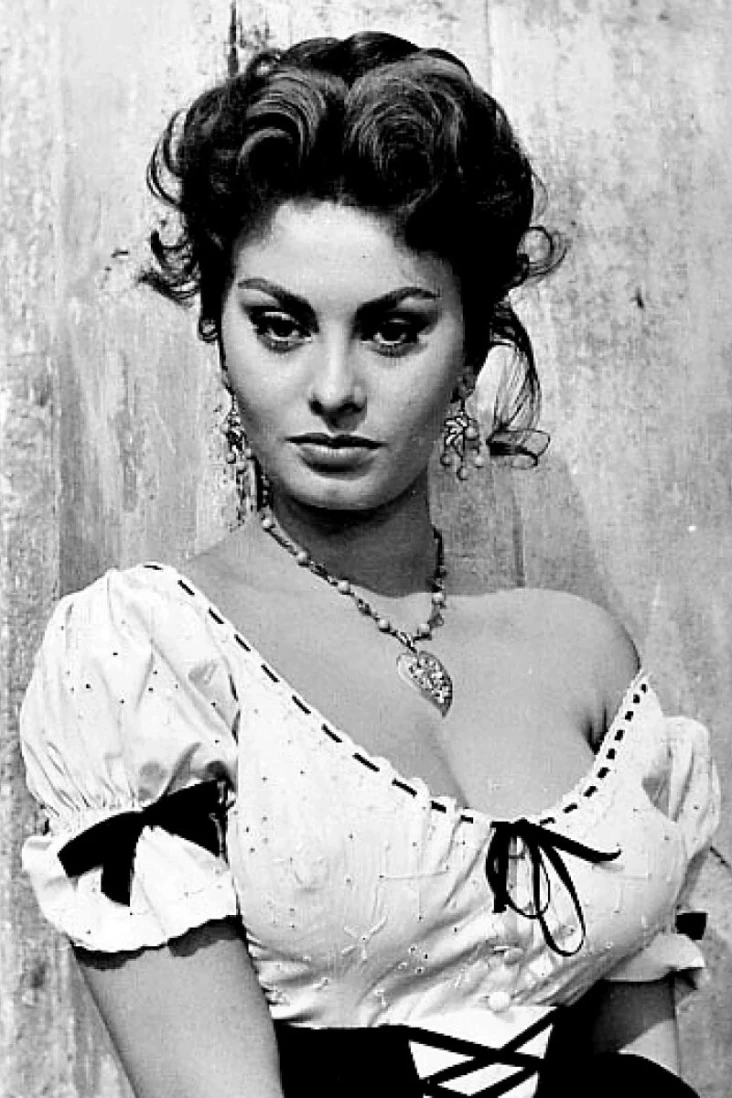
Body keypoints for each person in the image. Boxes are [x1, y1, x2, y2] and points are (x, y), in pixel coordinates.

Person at [19, 31, 719, 1098]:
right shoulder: (149, 658)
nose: (335, 388)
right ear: (216, 330)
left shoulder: (586, 658)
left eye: (394, 330)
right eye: (281, 325)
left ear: (472, 347)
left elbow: (645, 1074)